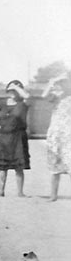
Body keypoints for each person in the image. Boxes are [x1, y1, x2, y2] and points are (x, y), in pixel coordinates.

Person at [0, 80, 30, 196]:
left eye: (16, 90)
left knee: (19, 167)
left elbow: (27, 96)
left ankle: (20, 192)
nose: (13, 93)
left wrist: (17, 87)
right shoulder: (2, 104)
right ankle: (1, 191)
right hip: (4, 137)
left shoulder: (23, 103)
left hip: (18, 138)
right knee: (3, 167)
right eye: (11, 90)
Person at [43, 73, 71, 201]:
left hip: (68, 136)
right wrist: (53, 81)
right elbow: (44, 96)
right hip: (55, 135)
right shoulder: (56, 97)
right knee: (54, 168)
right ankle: (53, 195)